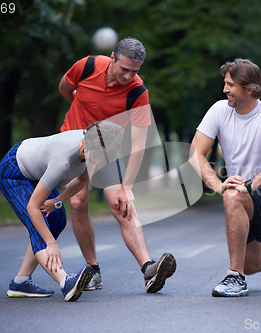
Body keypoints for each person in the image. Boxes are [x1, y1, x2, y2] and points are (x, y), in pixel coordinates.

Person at [58, 37, 176, 293]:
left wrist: (128, 186)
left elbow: (139, 144)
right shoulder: (87, 66)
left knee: (121, 204)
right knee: (78, 203)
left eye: (135, 70)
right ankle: (93, 271)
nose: (129, 75)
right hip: (73, 141)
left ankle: (149, 269)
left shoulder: (137, 91)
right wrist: (78, 105)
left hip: (106, 149)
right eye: (124, 68)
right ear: (112, 57)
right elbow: (65, 88)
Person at [190, 59, 261, 297]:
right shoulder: (219, 110)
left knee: (234, 194)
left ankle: (235, 277)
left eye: (230, 85)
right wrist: (217, 185)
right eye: (224, 83)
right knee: (252, 264)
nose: (224, 89)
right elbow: (194, 153)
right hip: (243, 195)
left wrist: (250, 185)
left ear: (249, 89)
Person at [0, 121, 122, 301]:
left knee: (57, 220)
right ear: (88, 146)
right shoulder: (62, 160)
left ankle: (20, 281)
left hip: (38, 171)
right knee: (39, 224)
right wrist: (51, 244)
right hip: (14, 172)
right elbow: (32, 207)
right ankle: (66, 282)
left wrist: (57, 201)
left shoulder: (96, 145)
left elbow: (82, 180)